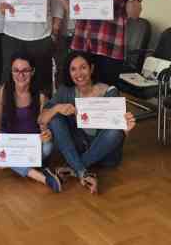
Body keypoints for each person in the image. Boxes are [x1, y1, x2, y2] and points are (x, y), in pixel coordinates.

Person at [39, 51, 136, 194]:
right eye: (73, 69)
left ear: (91, 68)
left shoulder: (109, 91)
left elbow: (117, 134)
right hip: (78, 148)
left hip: (106, 155)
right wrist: (57, 108)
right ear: (69, 73)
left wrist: (126, 130)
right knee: (55, 117)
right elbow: (41, 119)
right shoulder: (66, 91)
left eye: (83, 67)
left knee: (116, 130)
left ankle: (76, 168)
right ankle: (81, 171)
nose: (79, 73)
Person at [0, 52, 62, 192]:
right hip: (9, 143)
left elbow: (43, 127)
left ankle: (1, 164)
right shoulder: (1, 91)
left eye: (25, 70)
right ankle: (41, 177)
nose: (20, 75)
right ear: (11, 72)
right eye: (16, 70)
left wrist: (46, 134)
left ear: (32, 71)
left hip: (30, 145)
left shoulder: (41, 96)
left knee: (48, 147)